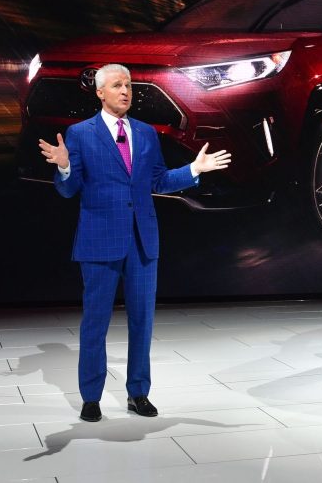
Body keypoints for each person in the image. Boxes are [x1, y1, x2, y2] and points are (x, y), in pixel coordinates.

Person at [37, 63, 231, 422]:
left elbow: (157, 180)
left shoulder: (145, 133)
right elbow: (68, 190)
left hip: (142, 241)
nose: (125, 90)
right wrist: (63, 167)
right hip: (99, 240)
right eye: (116, 85)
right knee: (95, 322)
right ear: (100, 93)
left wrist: (194, 170)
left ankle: (138, 393)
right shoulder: (79, 134)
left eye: (128, 84)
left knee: (143, 321)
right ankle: (91, 397)